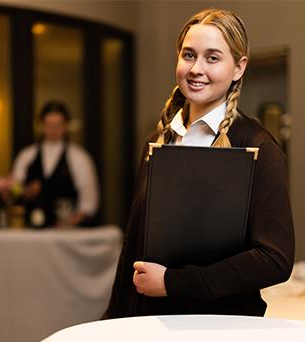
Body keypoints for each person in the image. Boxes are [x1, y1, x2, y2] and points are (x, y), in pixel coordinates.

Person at [103, 9, 294, 318]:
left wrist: (173, 282)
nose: (196, 69)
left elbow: (275, 259)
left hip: (222, 326)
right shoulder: (158, 140)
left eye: (213, 58)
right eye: (189, 55)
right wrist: (113, 317)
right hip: (150, 323)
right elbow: (134, 244)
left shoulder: (259, 147)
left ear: (239, 68)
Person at [0, 101, 99, 227]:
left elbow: (89, 201)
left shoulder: (79, 157)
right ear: (41, 125)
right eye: (49, 124)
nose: (53, 129)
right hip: (31, 230)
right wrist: (24, 191)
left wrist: (68, 223)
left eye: (58, 124)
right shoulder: (27, 155)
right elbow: (16, 189)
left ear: (65, 126)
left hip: (68, 232)